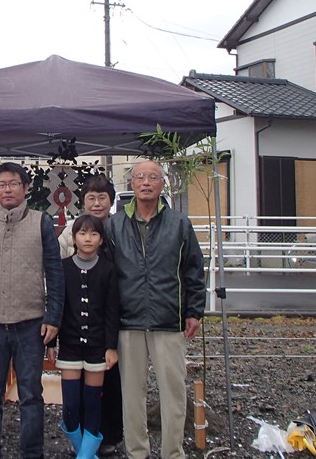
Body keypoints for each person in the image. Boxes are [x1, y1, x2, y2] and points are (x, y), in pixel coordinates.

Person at [0, 162, 65, 459]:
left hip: (31, 322)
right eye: (2, 184)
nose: (7, 189)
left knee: (31, 394)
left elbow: (55, 273)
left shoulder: (41, 222)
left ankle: (32, 452)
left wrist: (53, 317)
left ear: (25, 188)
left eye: (14, 183)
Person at [105, 160, 206, 459]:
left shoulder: (180, 224)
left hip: (169, 319)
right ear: (132, 184)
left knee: (173, 392)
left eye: (153, 177)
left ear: (163, 184)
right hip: (128, 320)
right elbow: (107, 277)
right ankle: (137, 452)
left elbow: (194, 269)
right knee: (131, 395)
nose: (146, 182)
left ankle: (172, 452)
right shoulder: (114, 225)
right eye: (140, 177)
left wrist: (194, 311)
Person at [57, 174, 124, 456]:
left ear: (111, 201)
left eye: (102, 198)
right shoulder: (70, 231)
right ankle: (82, 441)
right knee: (75, 395)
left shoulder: (120, 228)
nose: (97, 203)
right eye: (91, 198)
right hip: (74, 328)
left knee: (110, 384)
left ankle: (107, 436)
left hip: (108, 318)